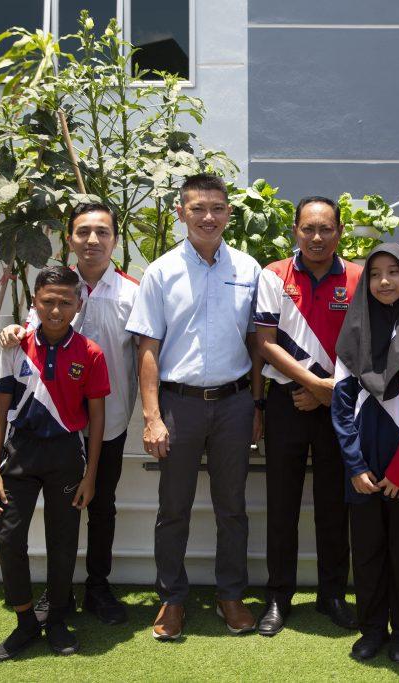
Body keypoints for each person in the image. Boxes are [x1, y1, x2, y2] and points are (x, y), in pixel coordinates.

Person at [126, 173, 264, 641]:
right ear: (181, 212)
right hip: (178, 405)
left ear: (229, 213)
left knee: (233, 507)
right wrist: (152, 417)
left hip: (234, 403)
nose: (209, 217)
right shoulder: (160, 272)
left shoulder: (248, 268)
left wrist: (257, 405)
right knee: (173, 508)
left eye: (217, 208)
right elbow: (147, 348)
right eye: (198, 208)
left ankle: (231, 595)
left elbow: (257, 342)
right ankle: (172, 598)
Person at [0, 202, 139, 625]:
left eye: (102, 232)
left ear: (115, 239)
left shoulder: (134, 292)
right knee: (57, 513)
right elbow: (29, 335)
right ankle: (56, 592)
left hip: (108, 420)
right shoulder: (56, 286)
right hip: (52, 425)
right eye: (83, 232)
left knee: (101, 504)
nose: (92, 240)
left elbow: (148, 353)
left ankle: (97, 587)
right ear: (69, 238)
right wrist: (11, 329)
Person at [0, 266, 110, 662]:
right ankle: (25, 621)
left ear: (78, 304)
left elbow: (97, 419)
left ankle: (56, 619)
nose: (56, 310)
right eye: (48, 301)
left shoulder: (91, 353)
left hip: (66, 456)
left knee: (63, 540)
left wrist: (90, 476)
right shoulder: (14, 346)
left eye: (65, 302)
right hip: (20, 453)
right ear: (34, 303)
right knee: (9, 535)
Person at [253, 196, 361, 636]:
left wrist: (327, 393)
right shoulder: (273, 274)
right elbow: (265, 343)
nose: (317, 237)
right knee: (282, 504)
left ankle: (332, 594)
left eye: (326, 229)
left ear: (340, 232)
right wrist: (314, 385)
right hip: (287, 402)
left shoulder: (358, 277)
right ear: (295, 230)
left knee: (335, 505)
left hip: (340, 403)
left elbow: (364, 346)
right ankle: (278, 596)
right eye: (308, 229)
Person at [332, 243, 399, 664]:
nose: (383, 281)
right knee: (367, 554)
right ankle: (372, 629)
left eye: (393, 272)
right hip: (362, 467)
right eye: (375, 273)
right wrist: (355, 465)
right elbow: (342, 406)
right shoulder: (354, 331)